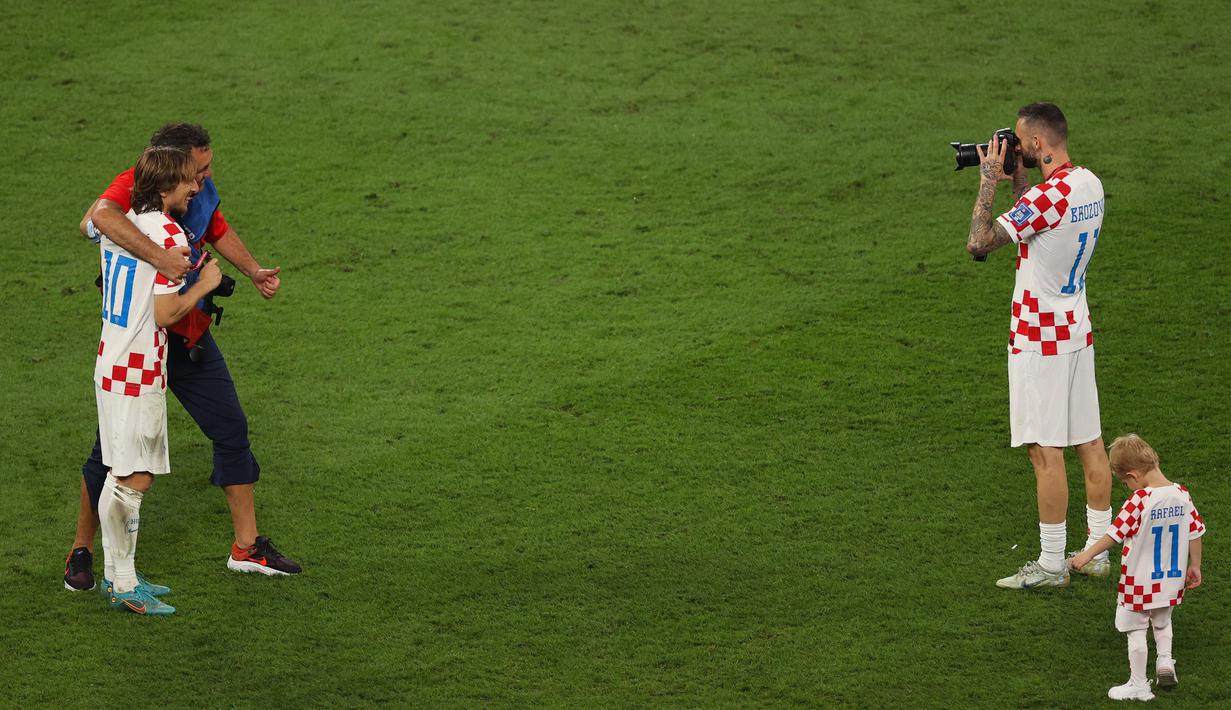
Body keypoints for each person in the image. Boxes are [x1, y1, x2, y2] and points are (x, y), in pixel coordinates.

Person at [64, 123, 300, 592]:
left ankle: (246, 548)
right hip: (143, 340)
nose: (205, 179)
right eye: (199, 170)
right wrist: (168, 259)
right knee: (111, 455)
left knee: (230, 427)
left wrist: (251, 270)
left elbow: (217, 228)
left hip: (184, 336)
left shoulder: (192, 194)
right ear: (171, 167)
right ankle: (87, 554)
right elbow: (96, 219)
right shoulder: (138, 189)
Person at [965, 102, 1114, 589]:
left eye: (1023, 144)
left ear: (1039, 145)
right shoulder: (1088, 183)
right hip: (1075, 327)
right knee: (1089, 441)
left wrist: (988, 177)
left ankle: (1052, 566)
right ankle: (1096, 550)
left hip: (1038, 339)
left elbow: (980, 242)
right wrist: (1017, 184)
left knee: (1044, 451)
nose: (1018, 150)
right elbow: (1038, 225)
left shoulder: (1049, 199)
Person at [96, 146, 223, 614]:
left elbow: (94, 222)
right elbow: (167, 313)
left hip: (110, 358)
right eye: (190, 179)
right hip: (138, 366)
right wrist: (206, 283)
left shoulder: (126, 224)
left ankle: (117, 575)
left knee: (119, 470)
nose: (197, 187)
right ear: (168, 186)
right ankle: (125, 588)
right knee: (136, 476)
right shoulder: (169, 235)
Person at [1070, 435, 1204, 701]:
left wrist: (1086, 555)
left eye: (1125, 482)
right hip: (1171, 578)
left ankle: (1139, 685)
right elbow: (1195, 532)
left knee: (1136, 630)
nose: (1128, 488)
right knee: (1163, 622)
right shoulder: (1181, 494)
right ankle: (1165, 663)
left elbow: (1114, 534)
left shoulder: (1140, 501)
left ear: (1131, 475)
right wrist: (1195, 565)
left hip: (1139, 581)